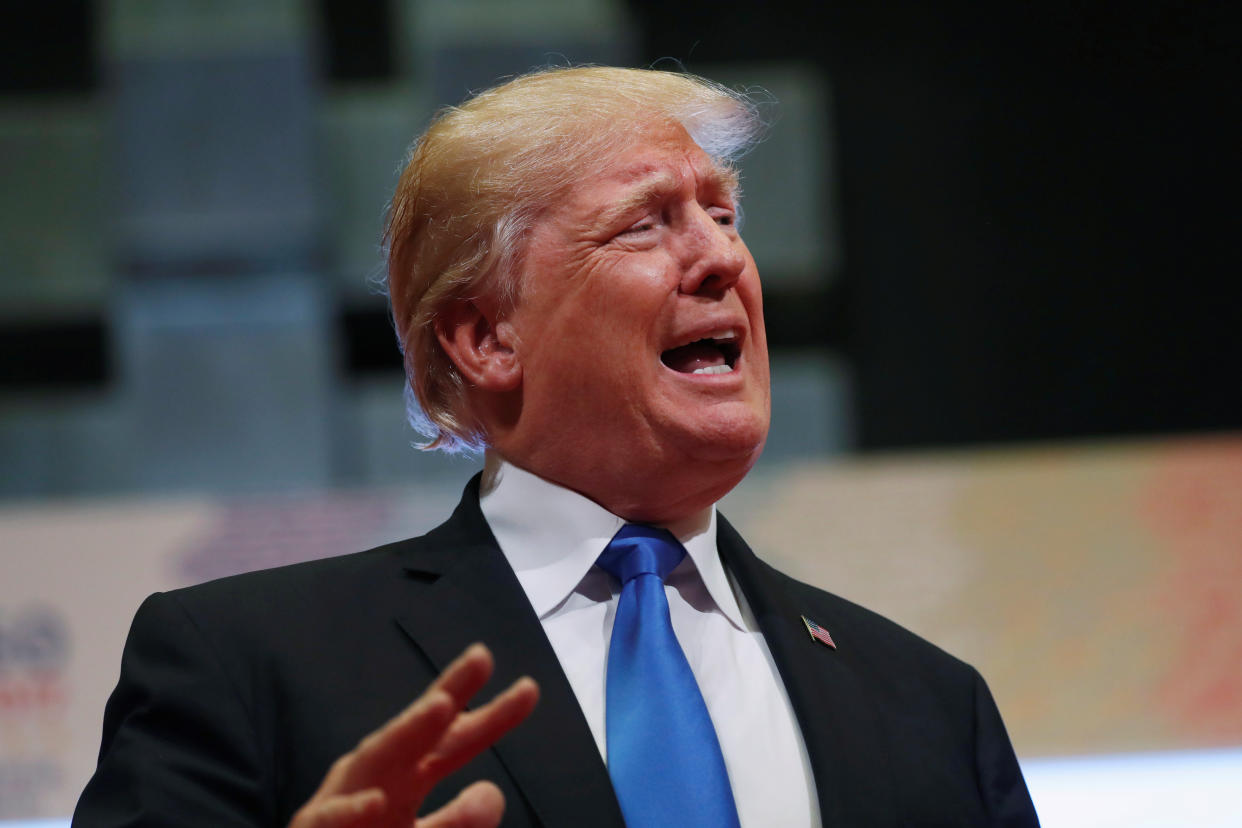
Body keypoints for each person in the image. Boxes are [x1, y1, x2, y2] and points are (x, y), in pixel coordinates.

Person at [74, 66, 1039, 827]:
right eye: (645, 224)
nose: (722, 258)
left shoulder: (927, 703)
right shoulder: (247, 664)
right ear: (489, 338)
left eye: (723, 214)